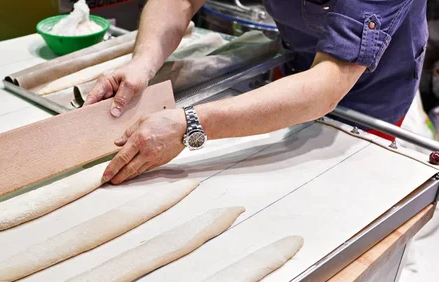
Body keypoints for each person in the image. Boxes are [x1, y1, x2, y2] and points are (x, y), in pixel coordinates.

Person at [84, 0, 429, 184]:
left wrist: (190, 124)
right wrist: (143, 62)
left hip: (367, 103)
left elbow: (328, 81)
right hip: (296, 72)